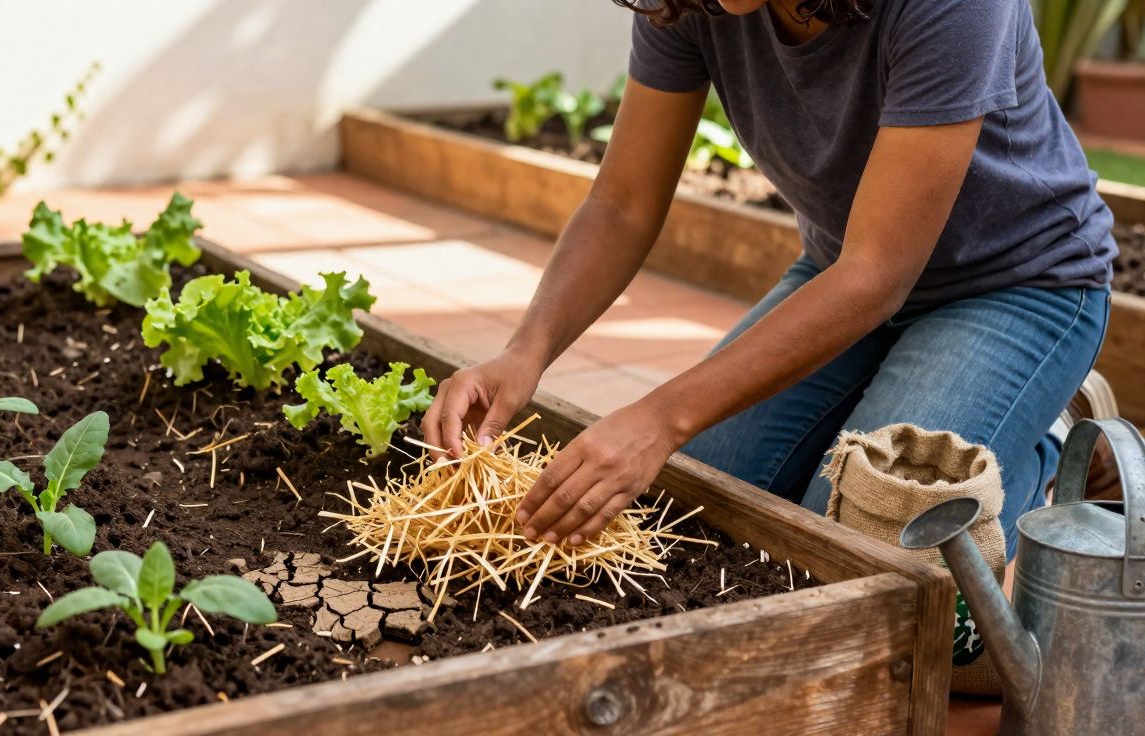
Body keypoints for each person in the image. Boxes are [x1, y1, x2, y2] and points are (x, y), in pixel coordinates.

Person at [420, 0, 1115, 560]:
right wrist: (526, 351)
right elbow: (622, 203)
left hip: (1019, 286)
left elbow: (878, 275)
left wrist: (659, 417)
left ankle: (1051, 440)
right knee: (691, 512)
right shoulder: (686, 4)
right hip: (842, 273)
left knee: (870, 545)